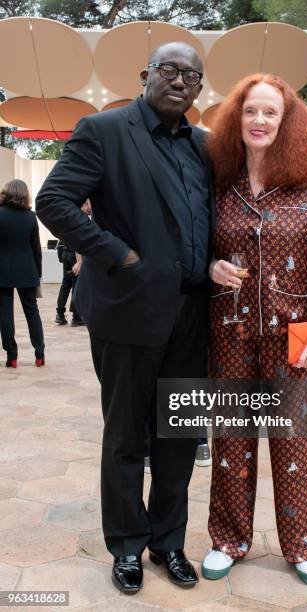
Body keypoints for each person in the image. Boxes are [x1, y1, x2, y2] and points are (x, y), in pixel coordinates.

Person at [36, 42, 213, 594]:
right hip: (129, 309)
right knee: (127, 437)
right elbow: (54, 201)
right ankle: (128, 546)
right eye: (170, 70)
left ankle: (169, 541)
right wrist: (121, 255)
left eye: (192, 75)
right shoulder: (104, 130)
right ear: (146, 75)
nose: (181, 81)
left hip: (194, 313)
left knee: (180, 436)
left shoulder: (205, 146)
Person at [200, 73, 307, 586]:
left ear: (286, 124)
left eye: (270, 113)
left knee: (295, 440)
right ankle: (228, 539)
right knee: (232, 437)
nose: (259, 121)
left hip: (297, 329)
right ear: (236, 119)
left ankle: (303, 545)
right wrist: (213, 265)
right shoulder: (219, 183)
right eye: (250, 111)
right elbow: (201, 249)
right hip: (230, 329)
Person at [0, 179, 45, 368]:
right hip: (27, 269)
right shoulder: (30, 216)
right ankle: (40, 353)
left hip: (2, 269)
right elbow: (36, 248)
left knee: (5, 313)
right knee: (32, 311)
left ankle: (12, 355)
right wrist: (38, 273)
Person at [55, 200, 91, 326]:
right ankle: (76, 317)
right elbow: (78, 241)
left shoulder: (71, 216)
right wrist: (80, 261)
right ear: (85, 204)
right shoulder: (81, 218)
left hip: (66, 253)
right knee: (77, 285)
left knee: (66, 284)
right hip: (74, 254)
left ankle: (60, 314)